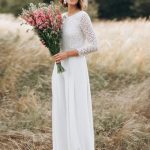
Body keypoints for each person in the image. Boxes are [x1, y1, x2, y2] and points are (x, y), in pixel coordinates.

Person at [51, 0, 98, 149]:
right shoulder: (61, 18)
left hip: (76, 67)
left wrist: (69, 53)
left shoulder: (83, 16)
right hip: (60, 68)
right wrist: (48, 41)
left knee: (76, 106)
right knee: (62, 107)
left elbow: (94, 45)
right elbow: (57, 43)